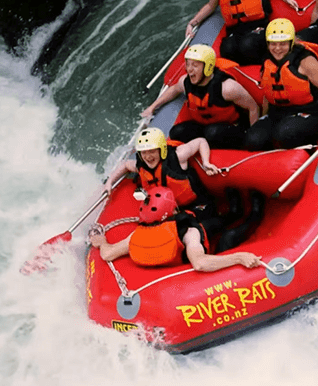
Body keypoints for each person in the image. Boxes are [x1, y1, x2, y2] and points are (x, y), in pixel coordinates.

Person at [106, 127, 264, 252]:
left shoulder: (178, 156)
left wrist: (207, 162)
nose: (148, 157)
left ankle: (234, 215)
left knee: (198, 226)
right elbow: (125, 165)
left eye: (152, 151)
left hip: (198, 205)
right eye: (144, 153)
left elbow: (201, 141)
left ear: (161, 149)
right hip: (173, 212)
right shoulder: (141, 165)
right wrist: (109, 183)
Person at [245, 18, 318, 151]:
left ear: (291, 42)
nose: (277, 49)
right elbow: (268, 92)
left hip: (308, 111)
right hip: (278, 112)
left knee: (284, 134)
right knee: (253, 140)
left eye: (282, 44)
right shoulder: (267, 60)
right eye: (273, 44)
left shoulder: (306, 61)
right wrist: (263, 117)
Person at [88, 186, 261, 272]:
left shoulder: (136, 235)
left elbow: (107, 253)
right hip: (196, 253)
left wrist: (101, 241)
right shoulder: (189, 232)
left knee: (211, 224)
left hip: (179, 247)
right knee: (227, 236)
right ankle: (254, 215)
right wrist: (239, 257)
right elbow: (200, 263)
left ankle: (234, 213)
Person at [141, 44, 260, 149]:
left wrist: (253, 136)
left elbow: (253, 107)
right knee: (177, 132)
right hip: (204, 126)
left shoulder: (227, 88)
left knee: (212, 133)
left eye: (195, 65)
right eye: (188, 65)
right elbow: (174, 90)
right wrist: (152, 107)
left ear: (208, 67)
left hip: (232, 127)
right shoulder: (186, 82)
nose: (190, 70)